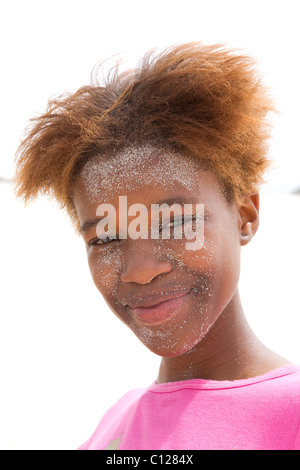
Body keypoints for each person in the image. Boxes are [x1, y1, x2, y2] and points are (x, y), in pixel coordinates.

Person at [13, 42, 300, 450]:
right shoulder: (115, 423)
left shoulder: (291, 415)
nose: (140, 269)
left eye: (175, 222)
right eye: (107, 237)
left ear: (245, 214)